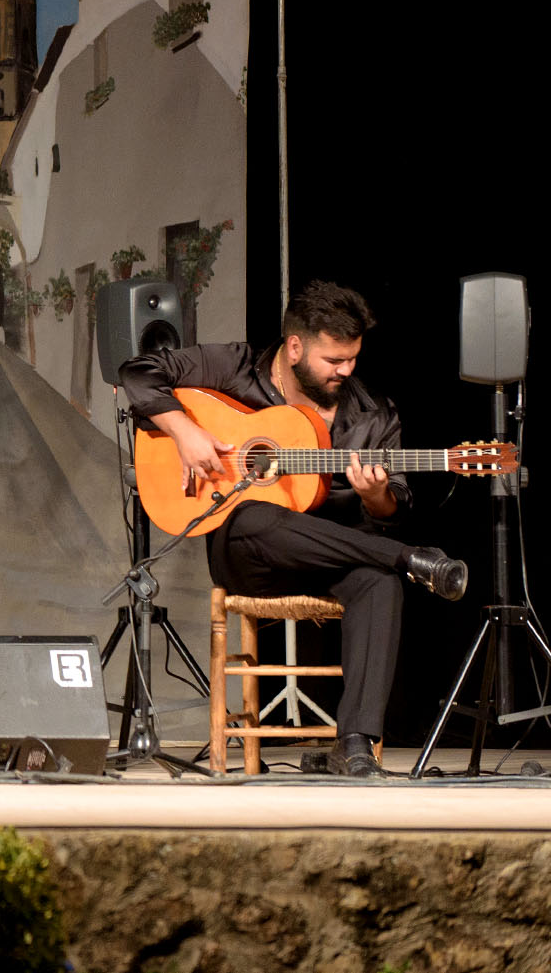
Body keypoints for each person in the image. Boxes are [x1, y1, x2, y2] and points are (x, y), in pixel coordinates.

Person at [119, 279, 467, 778]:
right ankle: (408, 558)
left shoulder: (373, 414)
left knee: (380, 581)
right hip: (251, 555)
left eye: (352, 359)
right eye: (334, 360)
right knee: (258, 516)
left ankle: (353, 744)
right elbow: (137, 371)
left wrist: (377, 498)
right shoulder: (235, 367)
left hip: (332, 559)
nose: (346, 371)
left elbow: (398, 505)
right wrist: (185, 430)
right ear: (295, 346)